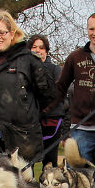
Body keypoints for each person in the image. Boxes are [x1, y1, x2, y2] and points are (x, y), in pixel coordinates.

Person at [0, 10, 55, 162]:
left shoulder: (28, 60)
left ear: (12, 33)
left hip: (21, 140)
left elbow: (47, 96)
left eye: (2, 32)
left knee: (22, 184)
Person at [46, 13, 95, 172]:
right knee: (78, 176)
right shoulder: (75, 57)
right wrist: (48, 110)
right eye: (91, 29)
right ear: (87, 30)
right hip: (81, 128)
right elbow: (61, 86)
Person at [28, 34, 67, 167]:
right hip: (29, 121)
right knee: (28, 160)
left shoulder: (55, 69)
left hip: (51, 120)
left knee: (50, 162)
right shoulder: (23, 71)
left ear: (46, 51)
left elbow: (58, 94)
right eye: (34, 47)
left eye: (41, 48)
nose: (38, 50)